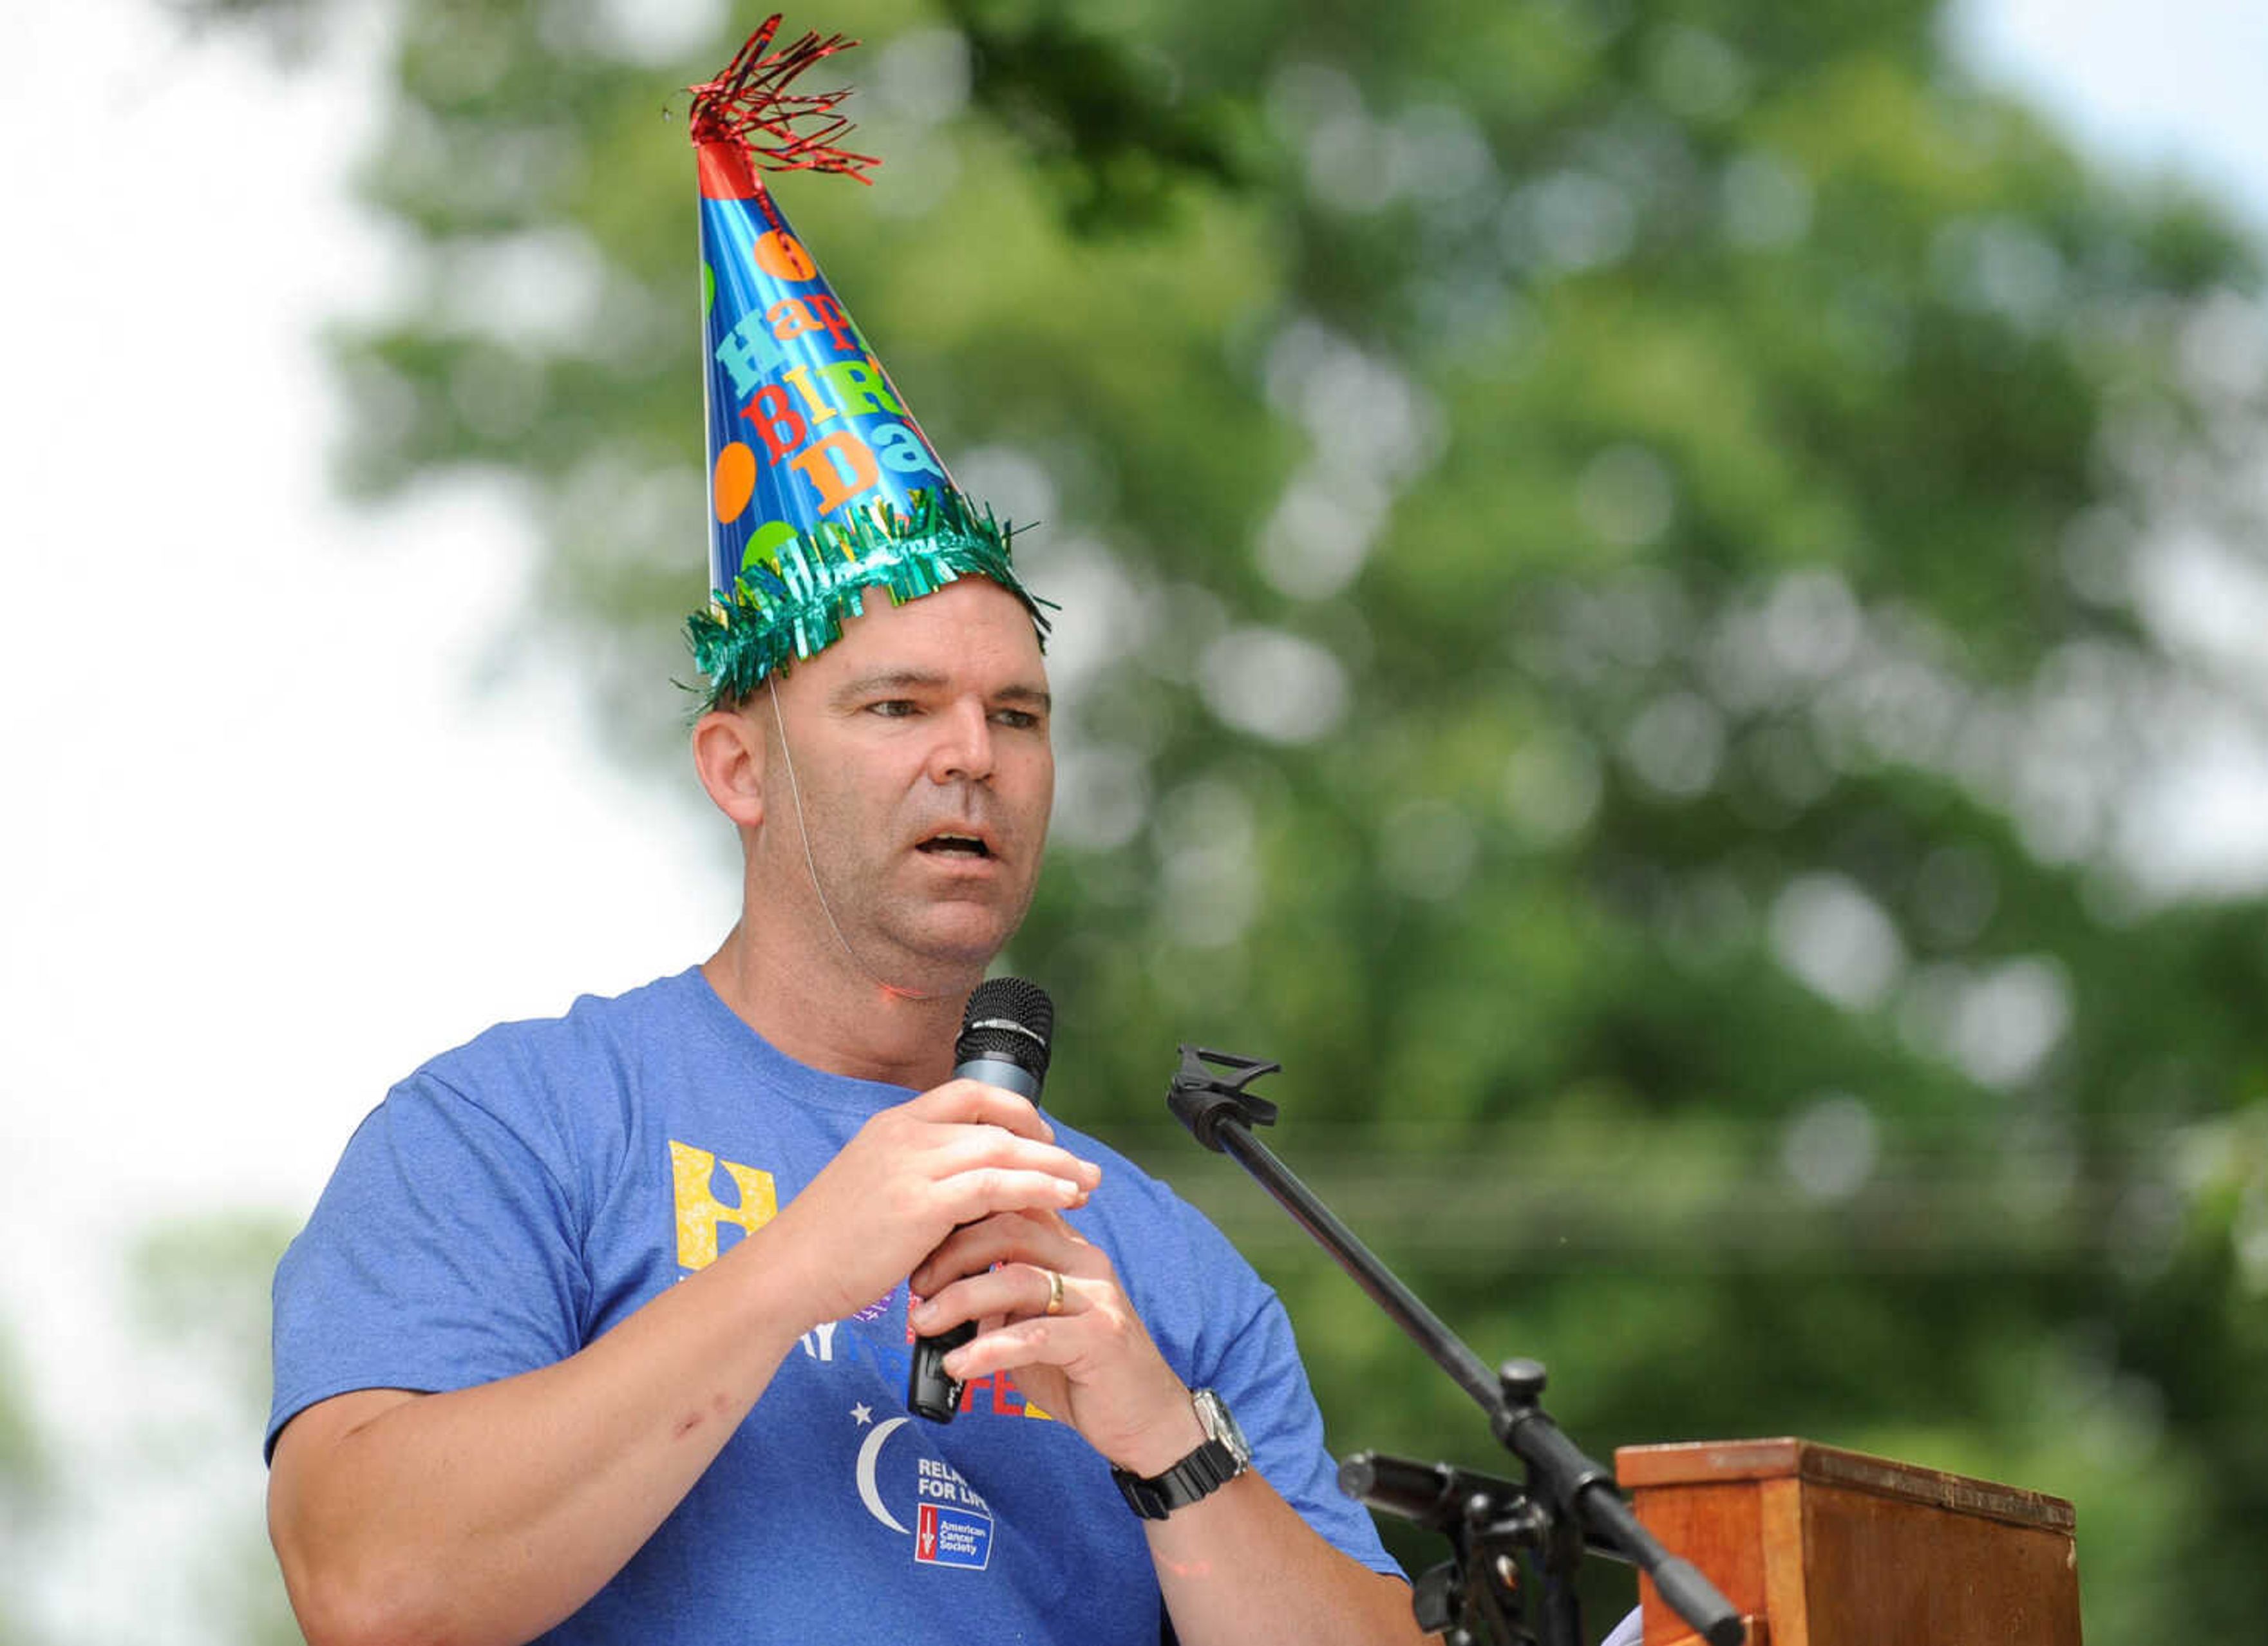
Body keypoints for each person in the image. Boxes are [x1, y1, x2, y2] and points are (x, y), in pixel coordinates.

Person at [264, 574, 1429, 1645]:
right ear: (737, 768)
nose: (973, 754)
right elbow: (370, 1586)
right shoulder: (516, 1123)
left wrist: (1167, 1442)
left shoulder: (1163, 1263)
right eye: (898, 708)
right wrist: (794, 1272)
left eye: (1018, 717)